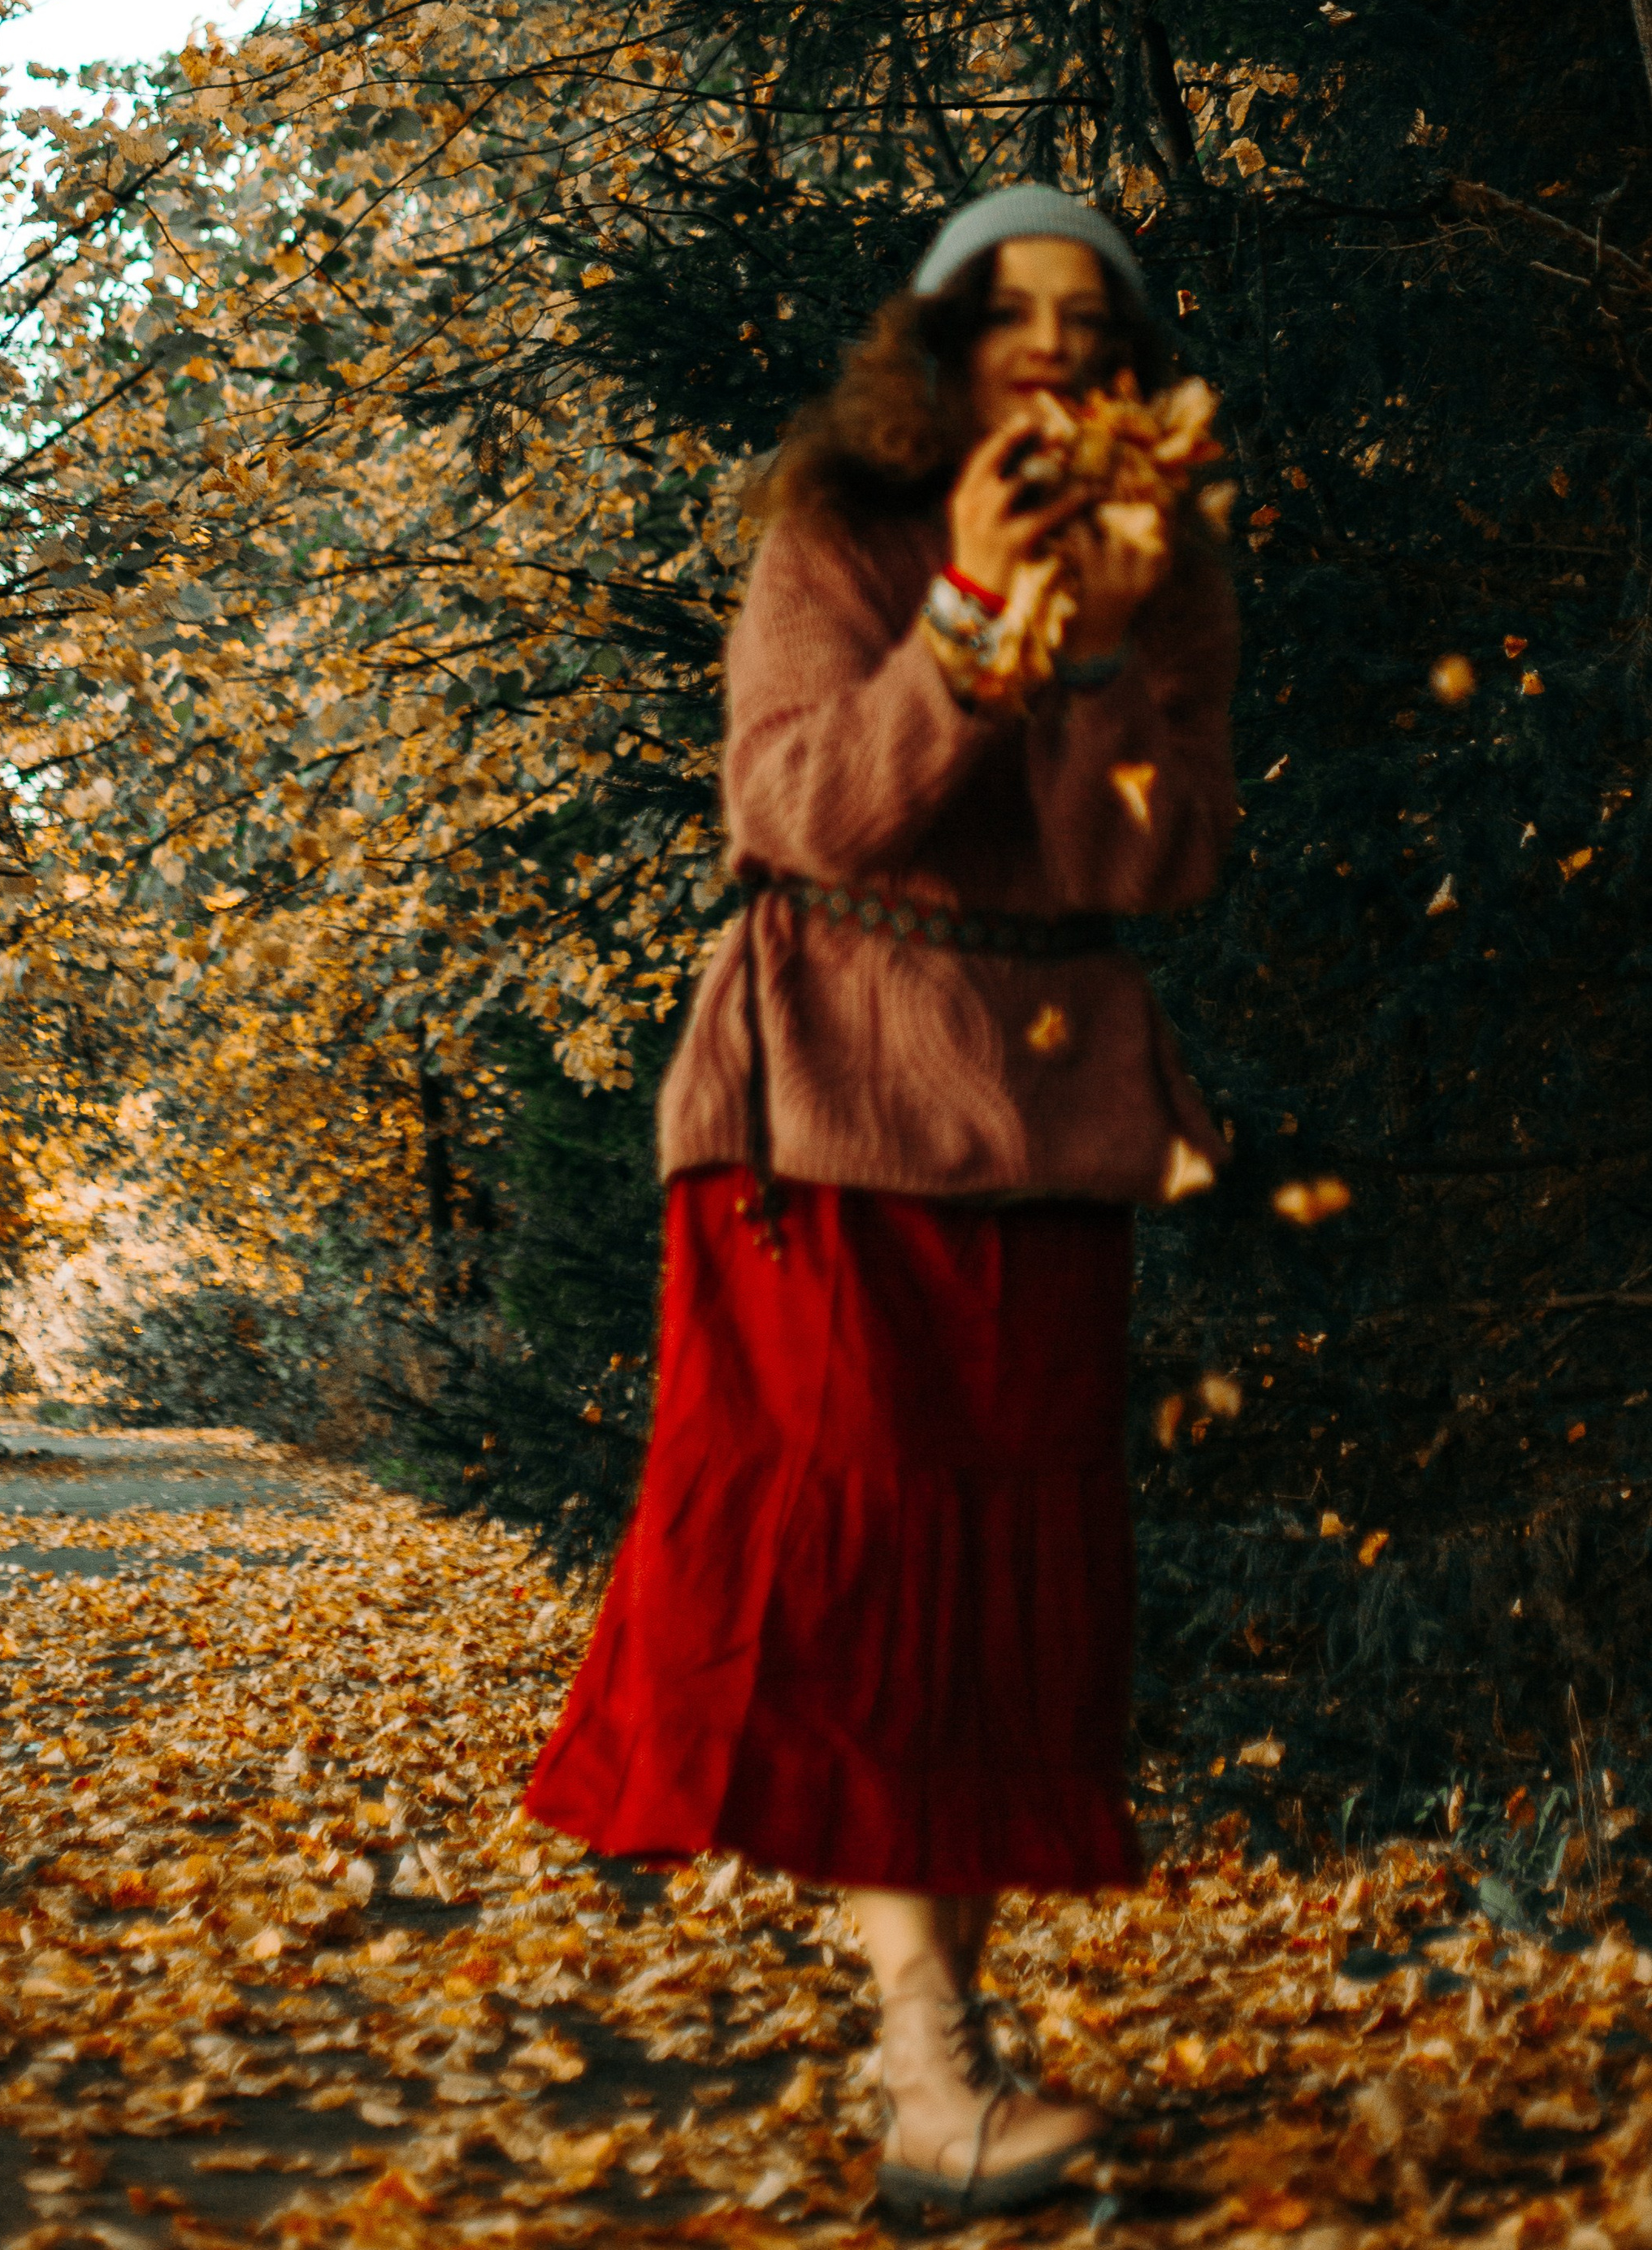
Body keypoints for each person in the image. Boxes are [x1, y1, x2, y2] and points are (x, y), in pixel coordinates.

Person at [525, 184, 1238, 2222]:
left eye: (1079, 312)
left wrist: (1085, 642)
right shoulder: (833, 528)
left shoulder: (1161, 565)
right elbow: (801, 810)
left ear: (1118, 351)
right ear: (933, 341)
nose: (1042, 341)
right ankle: (930, 2063)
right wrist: (962, 627)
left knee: (998, 1592)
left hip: (1043, 1118)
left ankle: (940, 2070)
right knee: (854, 1565)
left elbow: (1144, 869)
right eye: (997, 308)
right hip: (819, 1099)